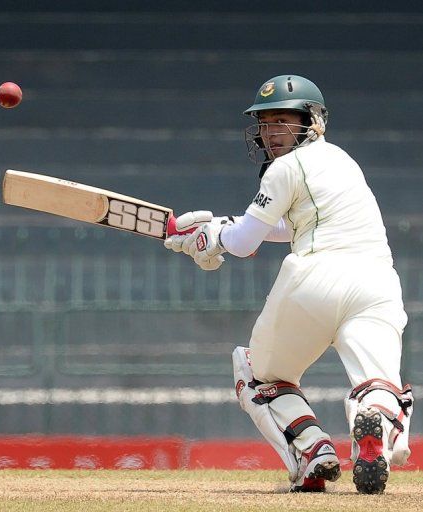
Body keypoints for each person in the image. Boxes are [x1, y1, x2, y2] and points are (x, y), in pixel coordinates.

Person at [164, 75, 413, 494]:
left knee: (259, 374)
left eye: (282, 121)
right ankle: (373, 429)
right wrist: (220, 227)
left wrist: (213, 238)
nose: (272, 133)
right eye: (264, 123)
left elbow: (245, 243)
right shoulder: (342, 160)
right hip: (378, 285)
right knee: (378, 382)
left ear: (311, 121)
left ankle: (313, 452)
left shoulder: (284, 169)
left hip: (315, 278)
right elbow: (290, 222)